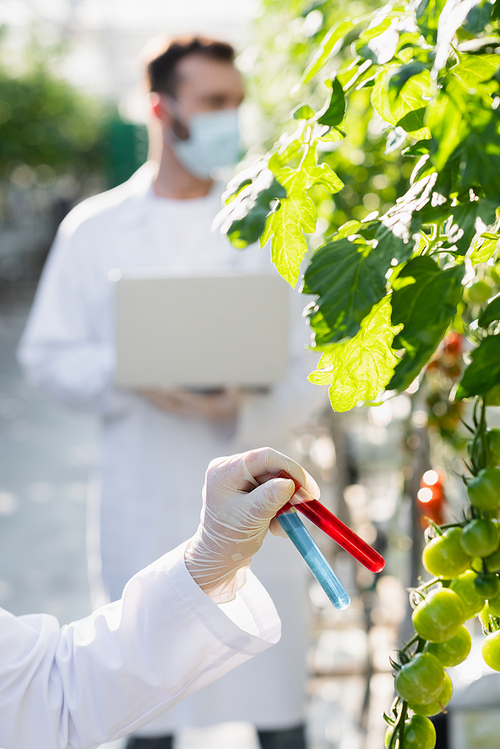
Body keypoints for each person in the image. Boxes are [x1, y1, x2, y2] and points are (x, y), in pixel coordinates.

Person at [18, 35, 326, 749]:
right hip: (145, 493)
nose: (231, 120)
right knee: (146, 703)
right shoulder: (94, 230)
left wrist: (240, 406)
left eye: (237, 104)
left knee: (279, 708)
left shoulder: (271, 224)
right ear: (162, 109)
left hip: (259, 501)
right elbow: (46, 355)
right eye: (214, 103)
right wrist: (135, 377)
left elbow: (312, 355)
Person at [0, 448, 320, 749]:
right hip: (143, 489)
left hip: (237, 498)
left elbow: (49, 693)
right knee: (152, 732)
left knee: (275, 704)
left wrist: (207, 559)